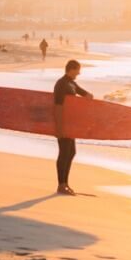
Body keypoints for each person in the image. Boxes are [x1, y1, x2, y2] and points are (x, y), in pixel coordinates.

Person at [53, 59, 92, 195]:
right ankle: (61, 184)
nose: (79, 73)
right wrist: (59, 128)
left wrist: (88, 96)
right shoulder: (61, 84)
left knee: (71, 153)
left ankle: (66, 183)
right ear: (71, 69)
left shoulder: (71, 83)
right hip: (63, 124)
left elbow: (84, 93)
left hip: (71, 125)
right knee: (63, 153)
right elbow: (57, 106)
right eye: (78, 70)